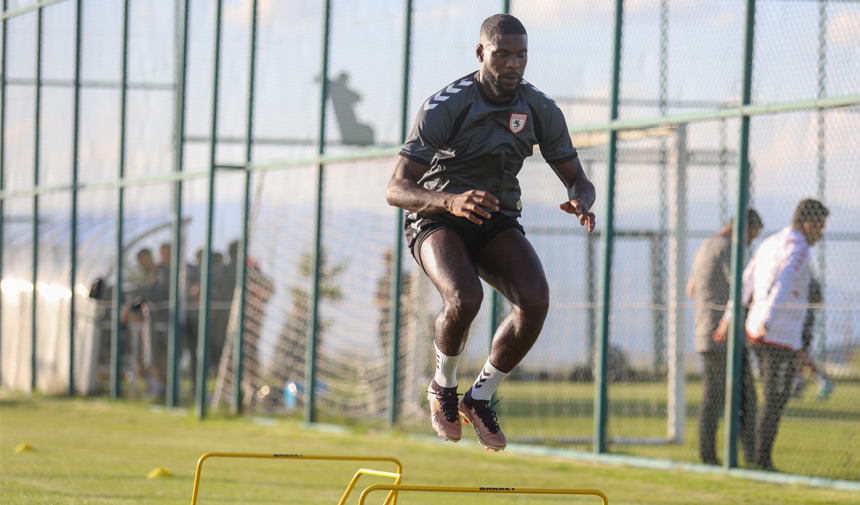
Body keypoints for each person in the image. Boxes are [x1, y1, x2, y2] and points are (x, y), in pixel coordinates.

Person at [385, 13, 596, 451]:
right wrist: (448, 200)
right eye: (502, 54)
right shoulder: (445, 106)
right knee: (465, 298)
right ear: (481, 53)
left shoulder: (540, 109)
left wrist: (580, 198)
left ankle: (478, 397)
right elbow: (396, 188)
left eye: (521, 55)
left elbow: (578, 177)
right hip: (437, 217)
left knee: (535, 300)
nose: (512, 63)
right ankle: (442, 386)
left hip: (495, 218)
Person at [721, 198, 829, 471]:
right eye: (820, 227)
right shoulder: (799, 247)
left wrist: (729, 316)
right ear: (809, 223)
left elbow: (746, 279)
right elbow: (786, 282)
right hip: (778, 333)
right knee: (775, 399)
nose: (822, 233)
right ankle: (761, 462)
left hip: (757, 328)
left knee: (770, 397)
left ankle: (756, 458)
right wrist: (768, 320)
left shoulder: (770, 242)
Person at [687, 209, 763, 466]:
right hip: (725, 336)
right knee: (745, 400)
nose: (751, 242)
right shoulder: (728, 248)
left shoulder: (705, 245)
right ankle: (746, 457)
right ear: (741, 228)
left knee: (715, 397)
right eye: (752, 235)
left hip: (705, 331)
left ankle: (710, 455)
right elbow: (743, 289)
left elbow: (692, 289)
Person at [791, 278, 833, 401]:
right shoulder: (792, 277)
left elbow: (818, 300)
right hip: (793, 322)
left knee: (801, 353)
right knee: (798, 354)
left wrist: (804, 302)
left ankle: (821, 380)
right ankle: (799, 381)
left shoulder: (811, 281)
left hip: (805, 323)